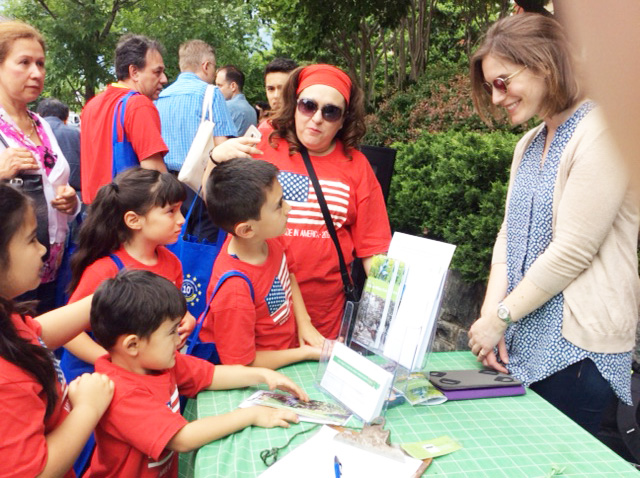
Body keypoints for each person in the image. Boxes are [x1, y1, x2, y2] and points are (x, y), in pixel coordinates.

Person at [467, 14, 640, 436]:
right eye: (491, 86)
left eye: (503, 81)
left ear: (544, 63)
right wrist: (493, 314)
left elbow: (574, 250)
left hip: (579, 352)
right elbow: (508, 235)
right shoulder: (528, 143)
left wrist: (502, 316)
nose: (495, 97)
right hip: (523, 338)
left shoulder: (601, 130)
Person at [86, 269, 307, 478]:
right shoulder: (121, 393)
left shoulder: (159, 362)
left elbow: (210, 375)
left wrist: (262, 375)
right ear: (133, 344)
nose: (179, 339)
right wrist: (251, 414)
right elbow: (183, 438)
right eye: (172, 332)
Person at [255, 64, 392, 340]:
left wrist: (389, 308)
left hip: (324, 316)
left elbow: (373, 250)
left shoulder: (357, 166)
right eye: (308, 105)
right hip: (260, 306)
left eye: (330, 111)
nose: (317, 118)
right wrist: (215, 160)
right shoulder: (263, 144)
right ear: (294, 105)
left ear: (343, 120)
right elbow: (224, 211)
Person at [0, 183, 114, 477]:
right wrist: (88, 408)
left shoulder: (7, 319)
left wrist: (115, 293)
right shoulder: (6, 383)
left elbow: (34, 333)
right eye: (30, 240)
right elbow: (36, 472)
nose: (42, 250)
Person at [60, 167, 194, 382]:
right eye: (171, 211)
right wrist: (111, 362)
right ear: (134, 220)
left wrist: (185, 319)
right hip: (95, 380)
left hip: (145, 375)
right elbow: (69, 334)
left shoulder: (172, 263)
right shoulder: (105, 271)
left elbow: (169, 312)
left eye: (180, 210)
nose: (181, 219)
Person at [203, 158, 323, 367]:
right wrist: (304, 354)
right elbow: (242, 363)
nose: (288, 209)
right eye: (278, 206)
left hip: (288, 355)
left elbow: (289, 276)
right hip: (260, 379)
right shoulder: (234, 291)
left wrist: (305, 325)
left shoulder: (270, 236)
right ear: (247, 230)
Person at [0, 21, 80, 313]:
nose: (36, 72)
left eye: (40, 63)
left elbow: (57, 186)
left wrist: (72, 202)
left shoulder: (42, 124)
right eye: (24, 62)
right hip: (8, 275)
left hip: (49, 268)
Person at [80, 34, 169, 204]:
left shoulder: (91, 105)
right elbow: (155, 174)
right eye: (157, 72)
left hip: (94, 212)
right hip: (126, 214)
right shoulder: (138, 104)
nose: (164, 79)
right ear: (134, 72)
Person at [156, 39, 237, 175]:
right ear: (206, 66)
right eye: (214, 68)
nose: (214, 74)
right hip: (199, 180)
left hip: (166, 182)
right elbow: (222, 146)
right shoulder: (211, 93)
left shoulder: (161, 97)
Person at [36, 98, 81, 194]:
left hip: (40, 193)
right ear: (66, 116)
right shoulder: (76, 133)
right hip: (74, 193)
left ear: (39, 114)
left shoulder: (32, 133)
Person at [216, 65, 258, 135]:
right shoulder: (252, 111)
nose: (216, 90)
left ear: (233, 86)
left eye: (220, 85)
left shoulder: (225, 106)